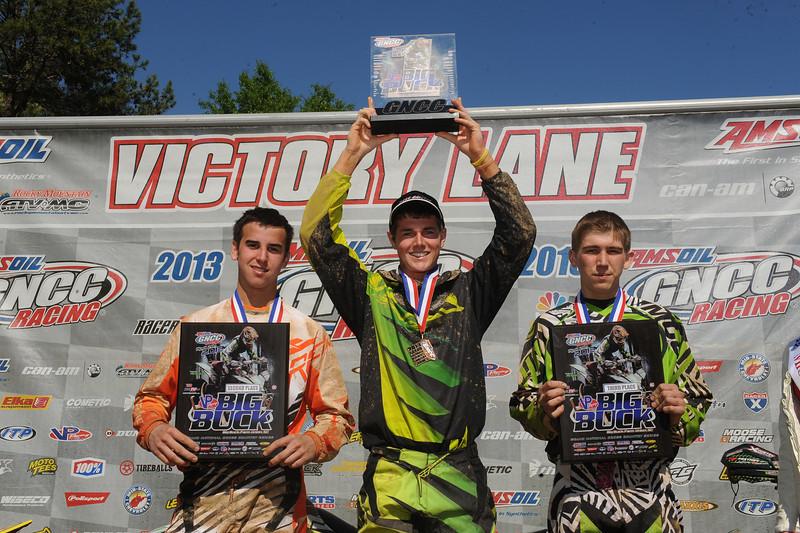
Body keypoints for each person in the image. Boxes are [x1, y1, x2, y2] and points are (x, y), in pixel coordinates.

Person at [300, 98, 536, 532]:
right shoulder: (371, 294)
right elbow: (317, 238)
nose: (419, 242)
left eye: (429, 231)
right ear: (393, 238)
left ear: (443, 236)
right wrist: (354, 153)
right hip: (390, 474)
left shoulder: (469, 292)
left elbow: (518, 236)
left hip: (457, 472)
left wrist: (479, 156)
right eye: (407, 233)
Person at [133, 207, 355, 532]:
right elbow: (150, 399)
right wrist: (153, 429)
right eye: (253, 245)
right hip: (204, 496)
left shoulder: (309, 333)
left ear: (286, 257)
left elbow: (337, 417)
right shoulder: (195, 326)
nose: (262, 257)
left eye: (273, 249)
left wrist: (314, 442)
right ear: (236, 249)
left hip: (277, 503)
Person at [510, 210, 712, 533]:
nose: (602, 261)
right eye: (592, 250)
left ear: (628, 258)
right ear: (574, 258)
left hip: (650, 491)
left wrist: (679, 413)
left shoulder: (660, 322)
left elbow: (698, 398)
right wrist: (544, 410)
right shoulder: (550, 326)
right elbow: (521, 401)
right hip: (577, 492)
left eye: (613, 251)